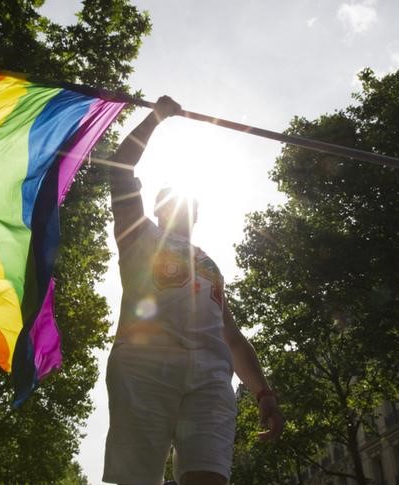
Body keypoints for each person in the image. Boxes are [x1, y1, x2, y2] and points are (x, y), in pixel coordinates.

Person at [103, 96, 284, 485]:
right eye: (176, 202)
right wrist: (155, 118)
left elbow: (232, 338)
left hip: (210, 377)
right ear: (158, 210)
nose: (187, 208)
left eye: (193, 204)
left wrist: (264, 394)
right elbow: (120, 167)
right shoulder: (138, 236)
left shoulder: (211, 265)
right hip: (144, 365)